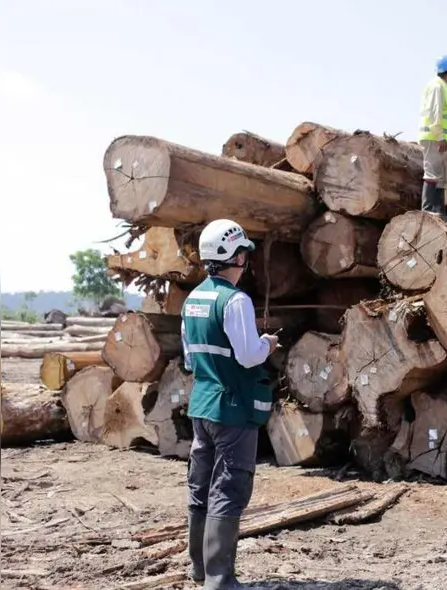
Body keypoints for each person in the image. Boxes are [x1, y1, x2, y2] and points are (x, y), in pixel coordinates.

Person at [181, 219, 280, 589]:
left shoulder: (193, 300)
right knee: (229, 488)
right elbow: (249, 355)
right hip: (233, 410)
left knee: (200, 485)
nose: (246, 261)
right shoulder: (235, 301)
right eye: (244, 255)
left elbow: (191, 359)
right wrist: (267, 344)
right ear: (234, 256)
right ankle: (220, 580)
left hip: (202, 406)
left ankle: (200, 570)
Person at [417, 54, 447, 217]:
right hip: (434, 138)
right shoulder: (437, 86)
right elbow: (435, 113)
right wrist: (440, 136)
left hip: (442, 139)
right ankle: (427, 211)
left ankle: (439, 212)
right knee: (432, 174)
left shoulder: (443, 88)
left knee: (441, 178)